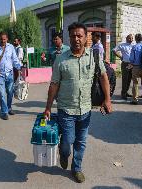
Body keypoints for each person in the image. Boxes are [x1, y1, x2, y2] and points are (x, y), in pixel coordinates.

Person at [43, 22, 112, 183]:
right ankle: (63, 151)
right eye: (73, 36)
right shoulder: (61, 59)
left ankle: (77, 168)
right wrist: (47, 108)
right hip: (66, 110)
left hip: (86, 109)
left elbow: (103, 76)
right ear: (69, 37)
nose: (76, 39)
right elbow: (54, 85)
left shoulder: (94, 56)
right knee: (67, 141)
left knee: (81, 141)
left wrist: (107, 99)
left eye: (79, 35)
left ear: (85, 37)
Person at [0, 32, 21, 120]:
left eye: (4, 39)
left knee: (10, 93)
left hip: (10, 73)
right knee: (2, 94)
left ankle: (9, 108)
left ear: (7, 39)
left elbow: (14, 58)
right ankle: (4, 112)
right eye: (1, 39)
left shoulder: (11, 47)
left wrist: (18, 67)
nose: (3, 41)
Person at [113, 34, 134, 100]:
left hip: (132, 64)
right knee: (125, 79)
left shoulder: (133, 46)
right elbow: (114, 50)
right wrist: (120, 57)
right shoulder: (122, 45)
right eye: (129, 38)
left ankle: (126, 91)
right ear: (126, 38)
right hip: (125, 64)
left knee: (129, 79)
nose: (131, 40)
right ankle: (123, 93)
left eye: (132, 38)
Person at [129, 34, 142, 105]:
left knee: (135, 83)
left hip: (136, 67)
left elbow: (131, 59)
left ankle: (135, 99)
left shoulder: (134, 47)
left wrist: (131, 63)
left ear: (136, 39)